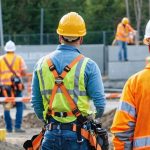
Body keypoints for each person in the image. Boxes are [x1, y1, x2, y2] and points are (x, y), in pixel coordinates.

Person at [31, 12, 106, 150]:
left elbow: (36, 103)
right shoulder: (88, 65)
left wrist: (48, 121)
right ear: (81, 38)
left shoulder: (41, 64)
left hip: (50, 134)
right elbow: (100, 104)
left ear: (60, 36)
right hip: (78, 136)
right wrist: (93, 119)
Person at [111, 20, 150, 149]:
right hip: (121, 39)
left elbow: (122, 133)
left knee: (123, 49)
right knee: (122, 49)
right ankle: (123, 58)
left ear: (148, 45)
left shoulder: (135, 83)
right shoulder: (120, 27)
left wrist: (132, 32)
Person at [0, 40, 27, 132]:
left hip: (5, 88)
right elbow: (24, 72)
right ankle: (17, 127)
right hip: (16, 87)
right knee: (19, 105)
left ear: (6, 49)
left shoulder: (1, 59)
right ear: (14, 49)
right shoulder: (19, 58)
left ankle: (8, 128)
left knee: (7, 107)